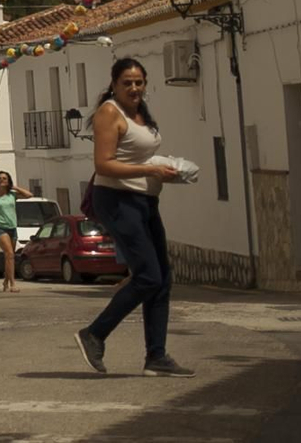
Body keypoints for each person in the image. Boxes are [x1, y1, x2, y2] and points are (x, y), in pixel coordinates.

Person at [73, 58, 194, 378]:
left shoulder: (140, 114)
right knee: (148, 276)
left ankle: (156, 356)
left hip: (144, 199)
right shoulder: (109, 113)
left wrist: (165, 170)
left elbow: (138, 154)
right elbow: (104, 165)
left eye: (139, 82)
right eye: (127, 82)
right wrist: (150, 170)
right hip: (117, 200)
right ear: (114, 85)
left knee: (162, 278)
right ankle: (94, 334)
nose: (134, 87)